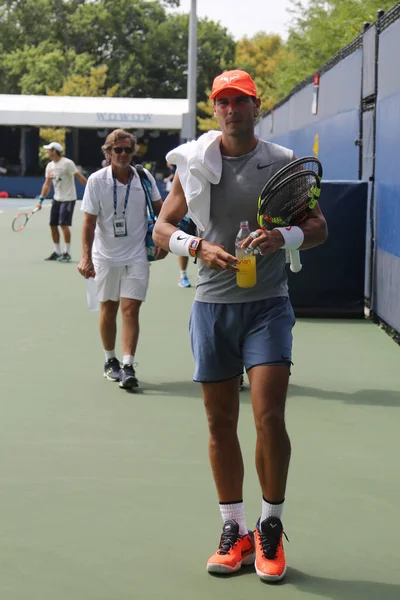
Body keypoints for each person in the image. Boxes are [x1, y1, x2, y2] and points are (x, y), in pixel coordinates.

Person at [153, 70, 328, 582]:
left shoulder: (282, 163)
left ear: (256, 105)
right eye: (222, 101)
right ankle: (234, 530)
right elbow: (162, 229)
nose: (231, 109)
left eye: (240, 101)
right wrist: (197, 246)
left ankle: (270, 526)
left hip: (268, 306)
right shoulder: (195, 165)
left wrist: (284, 238)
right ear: (215, 108)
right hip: (211, 308)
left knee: (269, 417)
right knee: (218, 424)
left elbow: (317, 228)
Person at [77, 129, 166, 389]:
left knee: (131, 308)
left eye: (128, 149)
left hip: (137, 254)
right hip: (104, 257)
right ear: (108, 153)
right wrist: (85, 258)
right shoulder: (96, 181)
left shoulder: (144, 177)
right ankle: (110, 360)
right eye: (118, 150)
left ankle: (128, 365)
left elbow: (162, 212)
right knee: (109, 309)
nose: (124, 154)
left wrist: (165, 241)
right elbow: (88, 223)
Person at [35, 142, 87, 262]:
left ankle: (67, 253)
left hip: (68, 198)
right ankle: (57, 252)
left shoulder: (67, 163)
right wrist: (40, 201)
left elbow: (79, 177)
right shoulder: (49, 166)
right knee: (53, 225)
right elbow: (47, 184)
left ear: (54, 151)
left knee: (63, 225)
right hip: (56, 199)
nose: (47, 152)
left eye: (49, 150)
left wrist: (92, 190)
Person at [164, 162, 191, 288]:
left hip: (206, 216)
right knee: (184, 247)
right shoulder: (180, 171)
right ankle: (183, 275)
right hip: (186, 216)